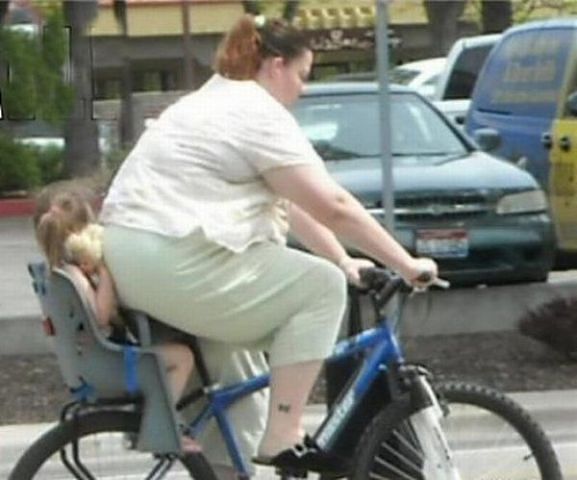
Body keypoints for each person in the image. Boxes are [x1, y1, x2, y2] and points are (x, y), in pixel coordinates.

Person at [99, 14, 438, 473]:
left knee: (240, 374)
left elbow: (293, 204)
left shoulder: (209, 100)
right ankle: (285, 433)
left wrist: (343, 259)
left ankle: (230, 467)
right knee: (320, 288)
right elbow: (333, 206)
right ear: (276, 66)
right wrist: (405, 263)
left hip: (135, 259)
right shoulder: (256, 111)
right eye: (302, 74)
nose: (303, 88)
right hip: (172, 259)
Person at [33, 187, 200, 452]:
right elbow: (100, 316)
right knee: (182, 357)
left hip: (92, 362)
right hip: (108, 363)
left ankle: (148, 423)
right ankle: (159, 430)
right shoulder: (75, 277)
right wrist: (105, 272)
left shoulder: (57, 274)